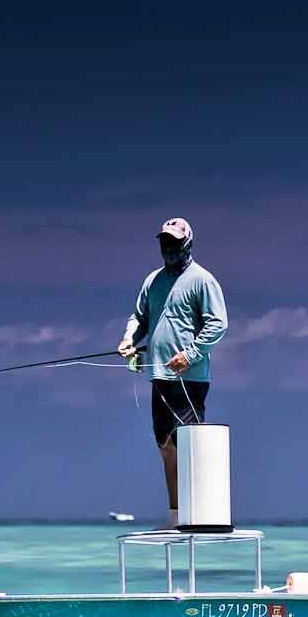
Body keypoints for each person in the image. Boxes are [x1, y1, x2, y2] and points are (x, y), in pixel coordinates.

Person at [117, 218, 228, 527]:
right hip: (159, 377)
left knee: (189, 446)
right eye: (164, 242)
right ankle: (176, 515)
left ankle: (199, 515)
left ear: (187, 244)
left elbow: (218, 324)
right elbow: (140, 317)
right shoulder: (153, 280)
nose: (168, 248)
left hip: (189, 378)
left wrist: (190, 354)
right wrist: (129, 340)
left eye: (174, 242)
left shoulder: (202, 280)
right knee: (165, 446)